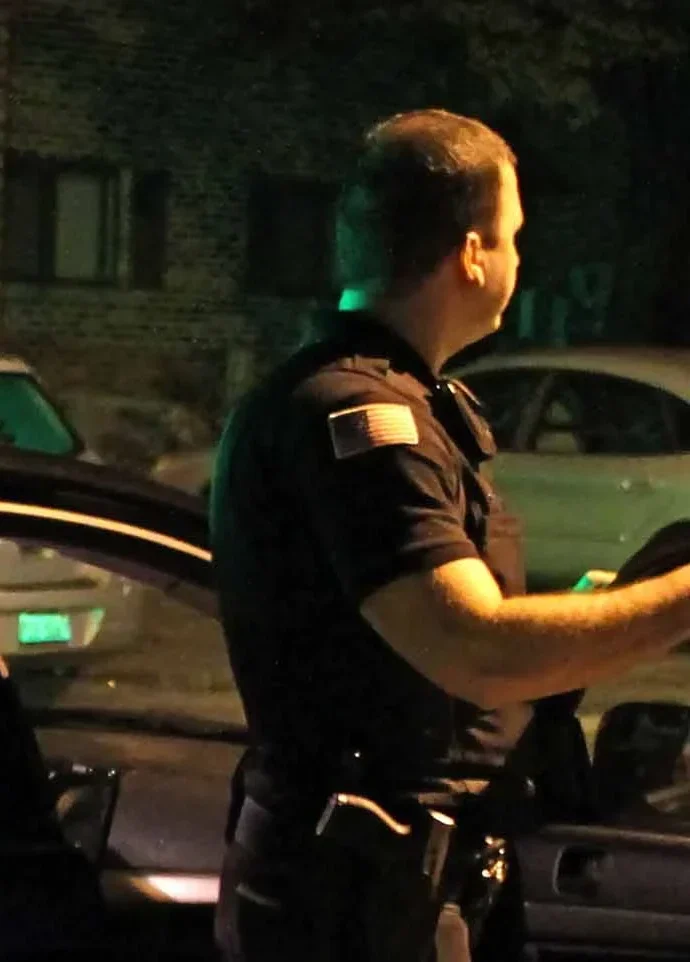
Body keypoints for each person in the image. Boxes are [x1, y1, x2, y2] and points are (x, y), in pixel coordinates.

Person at [211, 108, 690, 962]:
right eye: (511, 237)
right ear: (472, 254)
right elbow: (470, 646)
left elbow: (433, 663)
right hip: (355, 904)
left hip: (407, 886)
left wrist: (587, 619)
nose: (516, 260)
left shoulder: (415, 404)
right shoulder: (358, 419)